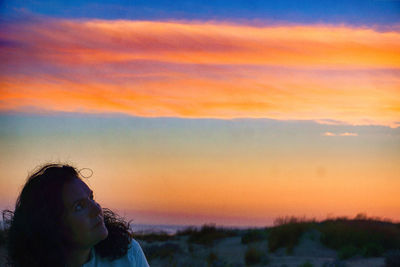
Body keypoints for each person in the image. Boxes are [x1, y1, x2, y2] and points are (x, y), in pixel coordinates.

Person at [3, 163, 150, 267]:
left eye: (91, 198)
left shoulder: (126, 253)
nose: (97, 209)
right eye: (79, 206)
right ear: (52, 225)